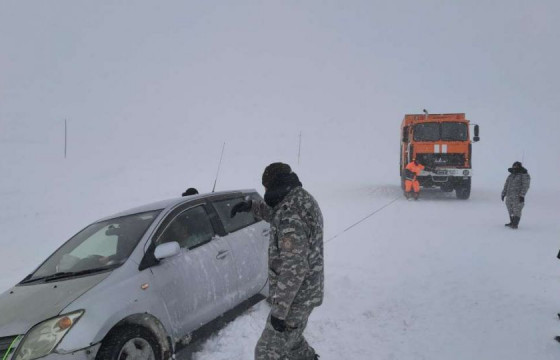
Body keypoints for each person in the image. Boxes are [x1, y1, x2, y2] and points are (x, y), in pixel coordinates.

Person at [231, 162, 323, 360]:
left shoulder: (291, 212)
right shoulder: (299, 199)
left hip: (296, 297)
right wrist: (252, 207)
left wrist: (279, 311)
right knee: (292, 342)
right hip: (306, 292)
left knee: (266, 352)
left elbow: (294, 267)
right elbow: (276, 215)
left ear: (272, 185)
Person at [501, 161, 530, 229]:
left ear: (520, 167)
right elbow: (506, 185)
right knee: (510, 209)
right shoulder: (511, 175)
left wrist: (522, 195)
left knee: (517, 210)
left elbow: (525, 186)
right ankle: (512, 222)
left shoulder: (524, 175)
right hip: (509, 196)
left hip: (518, 197)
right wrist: (503, 193)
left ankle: (515, 224)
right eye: (514, 166)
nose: (514, 168)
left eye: (516, 167)